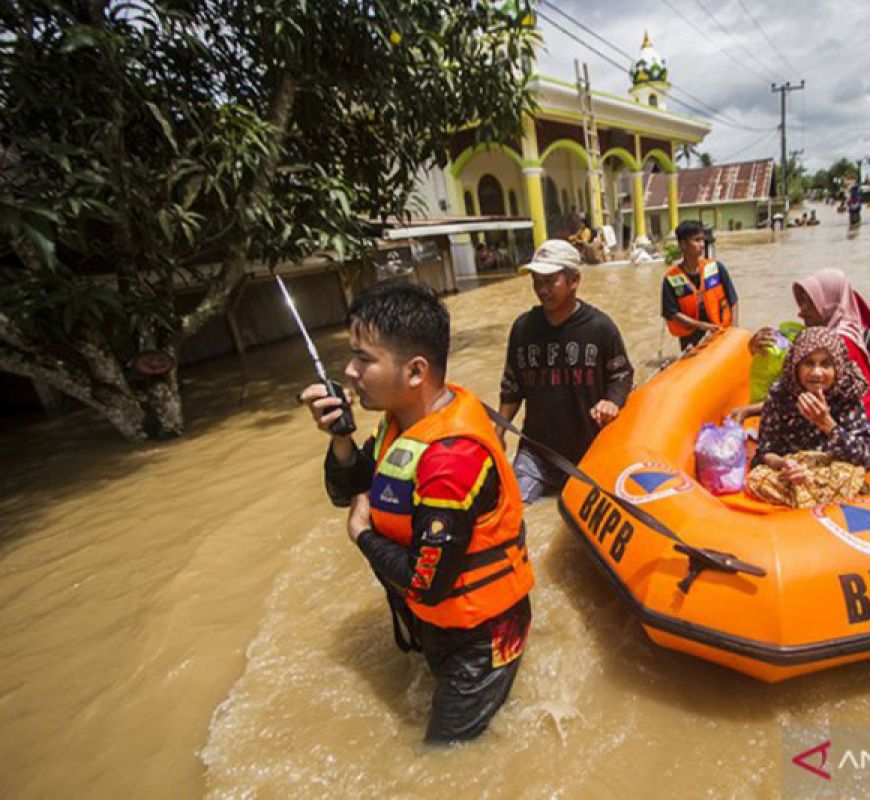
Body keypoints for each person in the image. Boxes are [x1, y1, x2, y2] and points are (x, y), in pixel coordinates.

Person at [301, 282, 533, 744]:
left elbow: (427, 585)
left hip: (480, 638)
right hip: (435, 621)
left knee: (444, 757)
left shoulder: (452, 460)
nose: (349, 371)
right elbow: (359, 486)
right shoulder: (403, 422)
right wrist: (341, 440)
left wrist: (362, 534)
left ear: (415, 372)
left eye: (363, 359)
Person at [497, 239, 634, 504]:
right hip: (536, 454)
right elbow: (512, 386)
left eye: (550, 281)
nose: (542, 290)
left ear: (574, 281)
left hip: (589, 453)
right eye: (537, 282)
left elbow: (622, 375)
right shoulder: (523, 328)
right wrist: (499, 431)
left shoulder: (600, 328)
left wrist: (612, 401)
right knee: (513, 511)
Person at [738, 269, 870, 442]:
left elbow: (809, 395)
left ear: (828, 304)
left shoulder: (839, 342)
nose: (801, 312)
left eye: (809, 304)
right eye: (801, 304)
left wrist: (749, 410)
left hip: (855, 431)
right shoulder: (845, 329)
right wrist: (757, 349)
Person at [752, 327, 870, 471]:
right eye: (809, 363)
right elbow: (765, 450)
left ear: (837, 368)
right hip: (789, 472)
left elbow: (863, 455)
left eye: (825, 364)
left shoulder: (847, 394)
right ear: (796, 365)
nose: (816, 373)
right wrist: (785, 465)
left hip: (833, 475)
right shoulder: (780, 393)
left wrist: (827, 423)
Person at [661, 219, 739, 351]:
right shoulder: (671, 279)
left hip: (721, 332)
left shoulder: (716, 268)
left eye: (702, 240)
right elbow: (672, 313)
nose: (702, 244)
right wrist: (701, 325)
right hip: (691, 339)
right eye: (697, 240)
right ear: (682, 244)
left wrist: (734, 329)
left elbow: (733, 300)